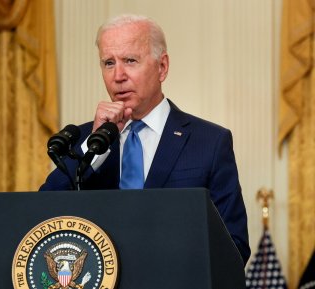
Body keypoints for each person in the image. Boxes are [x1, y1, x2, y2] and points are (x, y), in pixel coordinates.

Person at [40, 14, 250, 265]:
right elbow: (43, 216)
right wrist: (93, 151)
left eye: (130, 60)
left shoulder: (210, 142)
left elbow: (234, 246)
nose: (118, 76)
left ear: (162, 67)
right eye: (108, 63)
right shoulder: (85, 141)